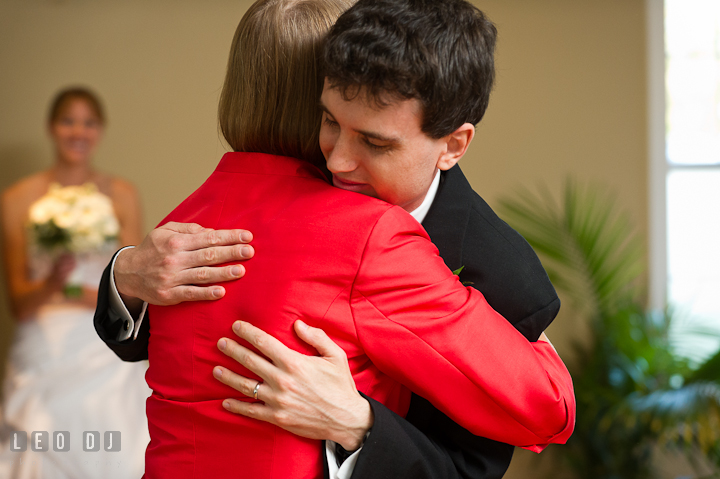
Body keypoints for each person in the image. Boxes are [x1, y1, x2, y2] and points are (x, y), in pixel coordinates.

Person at [94, 1, 573, 478]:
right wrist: (125, 274)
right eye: (329, 121)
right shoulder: (355, 236)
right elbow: (550, 407)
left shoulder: (189, 215)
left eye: (375, 142)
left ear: (453, 145)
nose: (340, 161)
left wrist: (359, 423)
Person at [0, 87, 150, 479]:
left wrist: (88, 293)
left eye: (89, 122)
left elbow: (137, 286)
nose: (78, 132)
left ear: (100, 130)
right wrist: (53, 282)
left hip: (101, 330)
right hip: (44, 332)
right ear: (52, 127)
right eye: (68, 121)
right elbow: (19, 304)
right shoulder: (17, 199)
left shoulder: (122, 195)